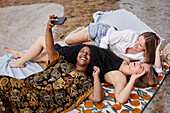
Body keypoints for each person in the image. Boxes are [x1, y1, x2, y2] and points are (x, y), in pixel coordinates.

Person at [0, 15, 159, 112]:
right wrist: (157, 49)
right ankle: (21, 55)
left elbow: (120, 99)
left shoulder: (120, 78)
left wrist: (132, 80)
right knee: (47, 52)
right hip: (86, 49)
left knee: (46, 45)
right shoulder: (128, 60)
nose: (138, 64)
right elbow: (156, 67)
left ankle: (21, 58)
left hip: (80, 59)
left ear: (138, 75)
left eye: (140, 68)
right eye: (141, 63)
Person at [64, 23, 162, 72]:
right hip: (102, 33)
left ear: (146, 49)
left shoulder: (141, 56)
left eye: (140, 45)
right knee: (67, 41)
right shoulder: (130, 34)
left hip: (102, 46)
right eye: (138, 39)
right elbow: (105, 40)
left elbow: (158, 70)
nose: (135, 44)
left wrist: (157, 49)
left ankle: (84, 37)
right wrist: (102, 56)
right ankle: (84, 29)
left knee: (75, 48)